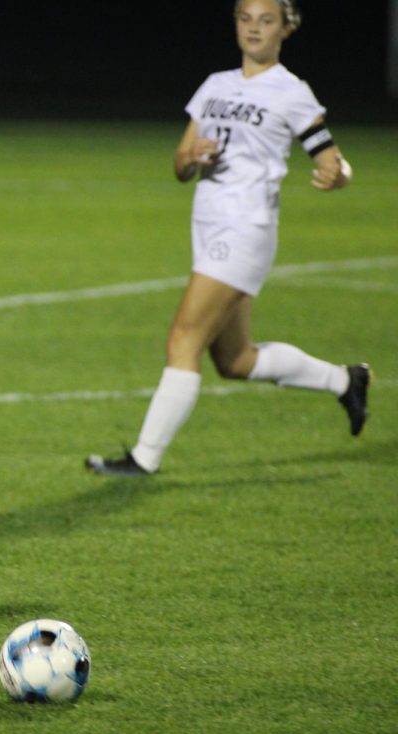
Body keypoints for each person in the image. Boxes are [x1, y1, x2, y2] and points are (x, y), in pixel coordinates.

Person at [86, 0, 368, 477]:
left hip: (245, 229)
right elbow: (179, 165)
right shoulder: (215, 86)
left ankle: (143, 458)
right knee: (235, 360)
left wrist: (338, 175)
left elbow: (330, 159)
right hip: (208, 227)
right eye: (245, 18)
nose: (253, 28)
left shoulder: (291, 91)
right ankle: (346, 380)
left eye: (265, 20)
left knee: (183, 338)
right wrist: (191, 157)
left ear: (285, 29)